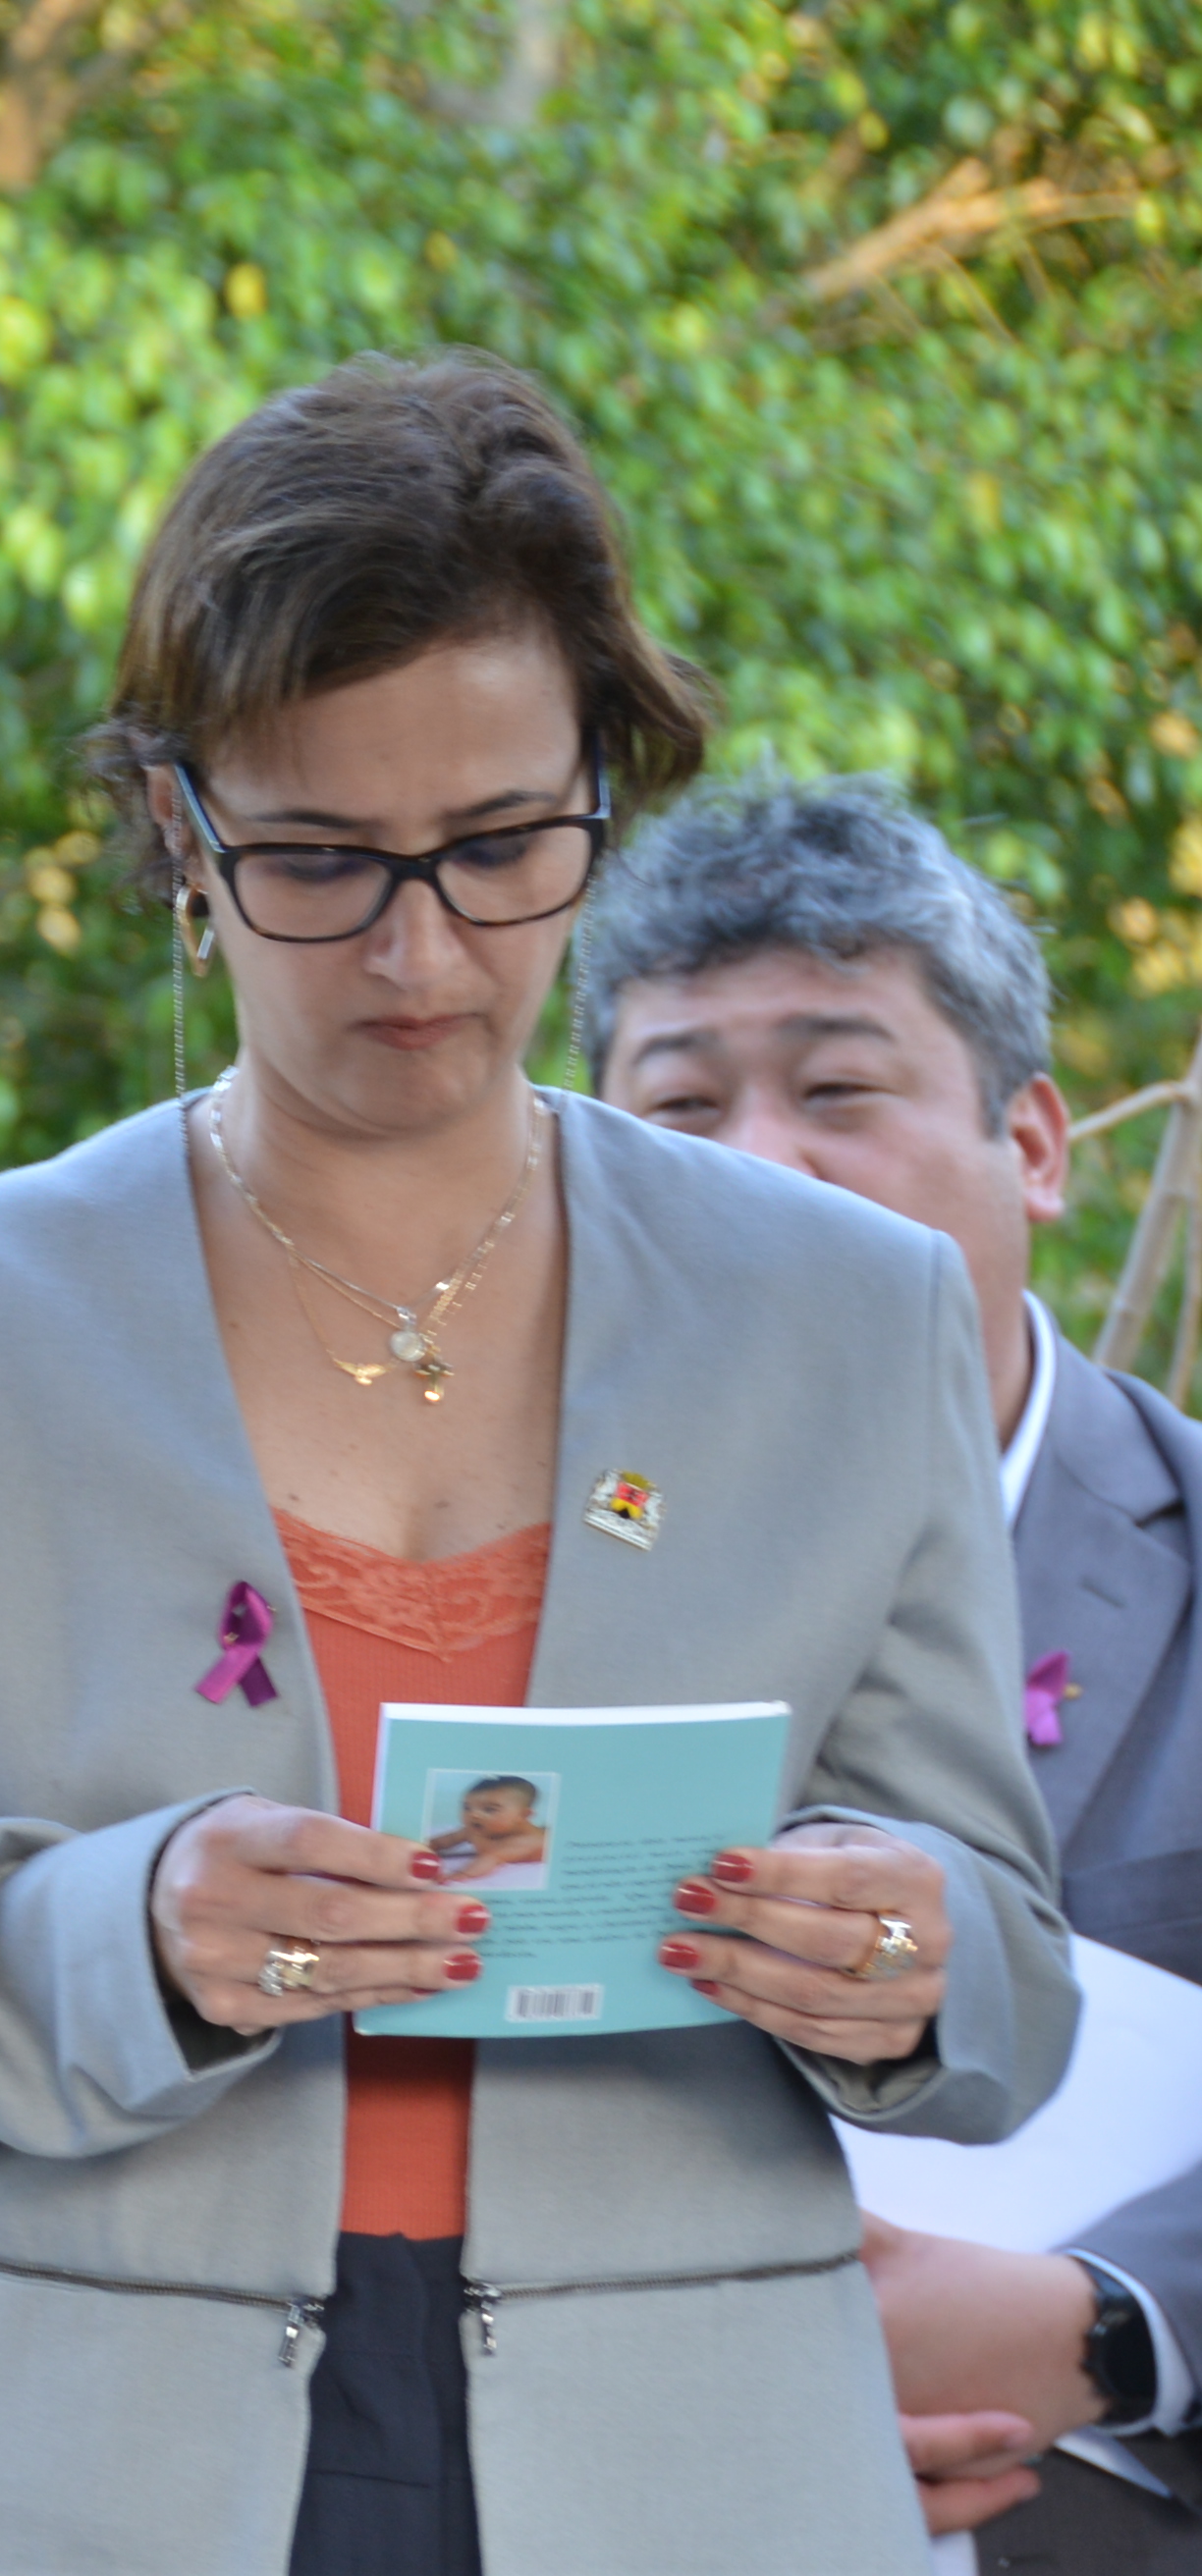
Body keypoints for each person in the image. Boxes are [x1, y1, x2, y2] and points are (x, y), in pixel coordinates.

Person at [0, 355, 1077, 2576]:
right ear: (181, 830)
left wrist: (905, 1964)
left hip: (700, 2475)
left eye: (500, 847)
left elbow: (1010, 1974)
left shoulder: (852, 1314)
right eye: (321, 861)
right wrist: (131, 1927)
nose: (421, 947)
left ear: (605, 793)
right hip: (76, 2477)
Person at [595, 771, 1202, 2563]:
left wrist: (1108, 2329)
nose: (760, 1166)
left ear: (1036, 1145)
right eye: (680, 1107)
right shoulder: (506, 1590)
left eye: (839, 1090)